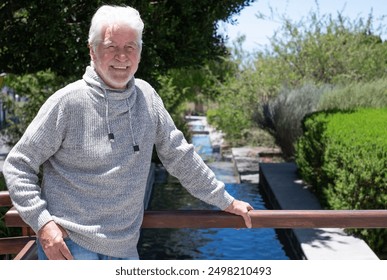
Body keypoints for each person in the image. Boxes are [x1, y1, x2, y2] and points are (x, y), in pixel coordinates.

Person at [3, 5, 253, 260]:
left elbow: (180, 156)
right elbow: (17, 164)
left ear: (140, 53)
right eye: (111, 46)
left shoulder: (148, 98)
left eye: (130, 47)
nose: (121, 56)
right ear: (92, 50)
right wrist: (43, 224)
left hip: (125, 250)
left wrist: (225, 200)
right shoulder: (67, 102)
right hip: (70, 247)